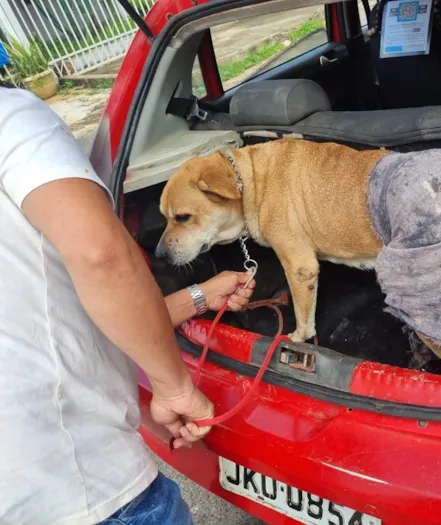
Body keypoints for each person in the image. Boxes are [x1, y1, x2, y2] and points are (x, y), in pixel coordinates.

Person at [0, 87, 255, 524]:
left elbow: (49, 318)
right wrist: (173, 385)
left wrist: (198, 295)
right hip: (76, 487)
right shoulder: (11, 118)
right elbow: (101, 258)